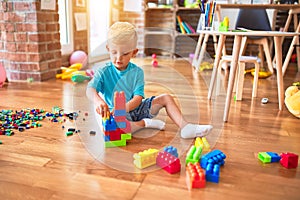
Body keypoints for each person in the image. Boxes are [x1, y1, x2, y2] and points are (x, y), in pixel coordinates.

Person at [86, 22, 213, 139]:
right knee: (114, 130)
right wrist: (98, 101)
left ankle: (185, 127)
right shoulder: (103, 71)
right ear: (108, 49)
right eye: (114, 52)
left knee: (166, 98)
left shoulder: (137, 72)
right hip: (117, 115)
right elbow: (90, 89)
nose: (118, 58)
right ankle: (145, 123)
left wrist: (124, 108)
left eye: (125, 54)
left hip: (137, 108)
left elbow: (138, 98)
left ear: (134, 52)